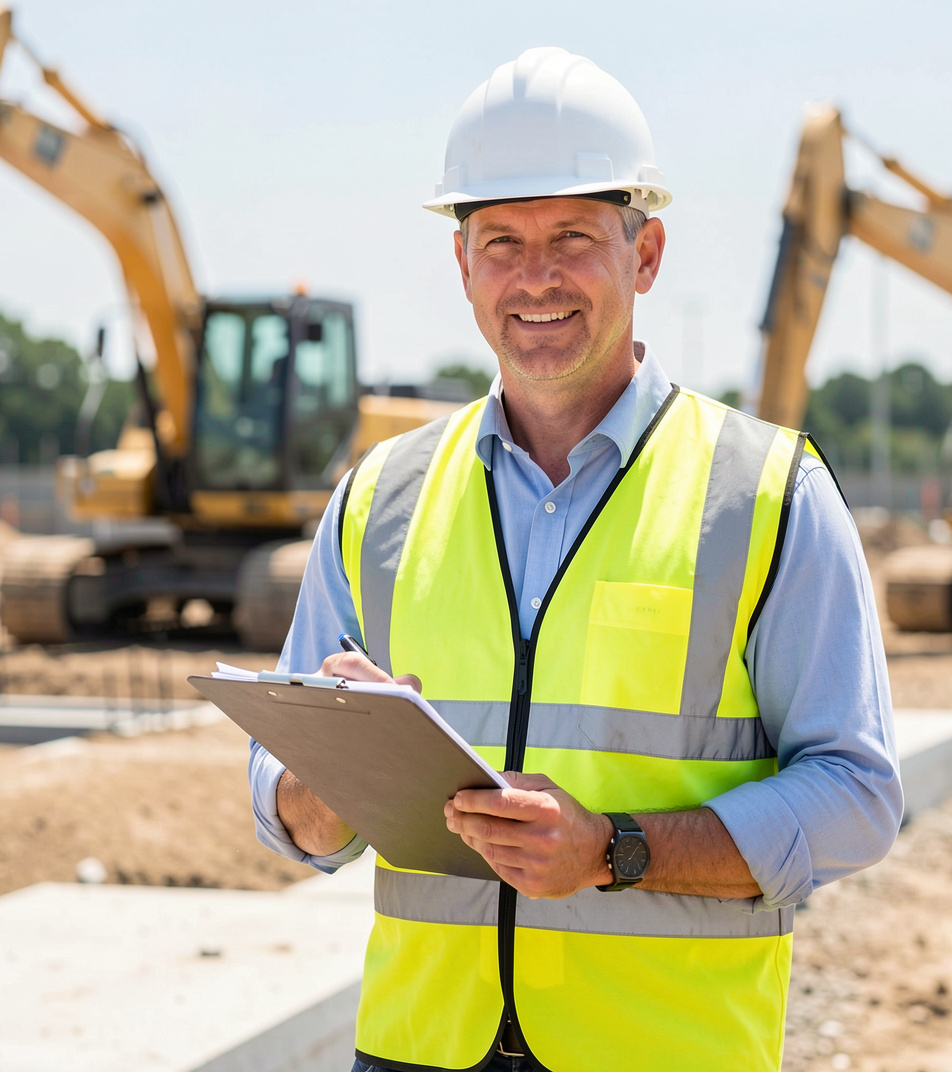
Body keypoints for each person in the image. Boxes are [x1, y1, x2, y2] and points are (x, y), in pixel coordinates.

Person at [249, 47, 902, 1072]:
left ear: (644, 257)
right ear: (461, 265)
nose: (536, 277)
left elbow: (856, 794)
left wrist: (614, 850)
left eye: (573, 238)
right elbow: (280, 798)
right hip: (421, 1047)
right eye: (501, 241)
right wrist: (330, 789)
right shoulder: (379, 499)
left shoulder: (767, 495)